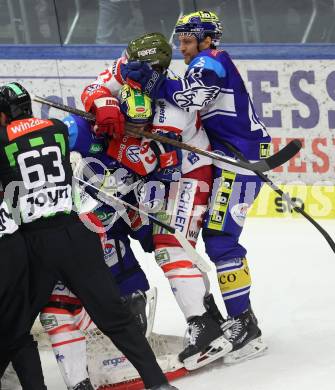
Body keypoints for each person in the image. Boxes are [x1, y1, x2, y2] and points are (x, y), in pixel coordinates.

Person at [0, 81, 176, 390]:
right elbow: (93, 131)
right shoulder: (56, 126)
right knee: (115, 318)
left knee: (15, 328)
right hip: (76, 234)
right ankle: (157, 383)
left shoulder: (1, 139)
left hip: (34, 244)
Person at [118, 10, 270, 364]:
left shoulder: (209, 61)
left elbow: (192, 99)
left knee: (221, 239)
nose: (182, 49)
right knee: (213, 239)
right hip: (228, 160)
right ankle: (232, 320)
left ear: (205, 39)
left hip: (239, 163)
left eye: (187, 41)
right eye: (181, 42)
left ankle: (245, 324)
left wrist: (155, 84)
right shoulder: (205, 61)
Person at [81, 32, 234, 370]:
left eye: (134, 63)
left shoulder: (172, 106)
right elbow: (93, 89)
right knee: (156, 244)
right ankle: (208, 315)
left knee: (171, 247)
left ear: (154, 69)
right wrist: (103, 105)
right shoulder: (125, 70)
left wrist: (117, 146)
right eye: (126, 57)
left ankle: (203, 329)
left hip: (188, 175)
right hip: (157, 176)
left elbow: (158, 163)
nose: (124, 65)